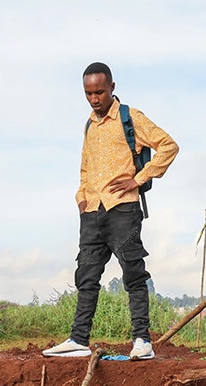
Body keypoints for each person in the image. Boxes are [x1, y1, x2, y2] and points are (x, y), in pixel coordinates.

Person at [43, 62, 179, 360]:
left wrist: (139, 178)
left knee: (133, 273)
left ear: (112, 88)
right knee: (86, 276)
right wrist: (81, 199)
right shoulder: (89, 125)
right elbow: (85, 167)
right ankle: (78, 339)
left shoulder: (131, 118)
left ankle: (142, 340)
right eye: (88, 93)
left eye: (99, 92)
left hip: (123, 209)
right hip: (91, 211)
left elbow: (168, 146)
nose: (94, 99)